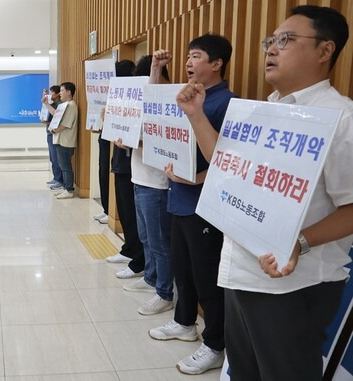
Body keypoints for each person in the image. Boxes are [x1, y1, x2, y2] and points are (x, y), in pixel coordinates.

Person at [177, 6, 353, 380]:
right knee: (244, 372)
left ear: (325, 51)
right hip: (242, 272)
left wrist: (298, 243)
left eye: (285, 41)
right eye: (269, 41)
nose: (271, 49)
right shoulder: (263, 110)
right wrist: (195, 114)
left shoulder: (342, 119)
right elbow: (225, 165)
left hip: (293, 285)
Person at [147, 34, 237, 375]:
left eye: (195, 56)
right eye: (187, 56)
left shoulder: (225, 102)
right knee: (183, 271)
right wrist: (157, 67)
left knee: (207, 278)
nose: (188, 62)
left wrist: (196, 179)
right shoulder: (184, 96)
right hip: (178, 198)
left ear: (216, 64)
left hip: (204, 205)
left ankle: (215, 344)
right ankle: (184, 323)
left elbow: (230, 160)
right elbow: (153, 108)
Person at [116, 55, 174, 316]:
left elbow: (166, 144)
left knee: (160, 242)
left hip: (157, 183)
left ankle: (164, 292)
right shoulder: (143, 103)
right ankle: (151, 277)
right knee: (146, 237)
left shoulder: (170, 104)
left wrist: (133, 141)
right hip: (139, 178)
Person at [105, 60, 145, 275]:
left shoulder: (138, 100)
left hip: (133, 167)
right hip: (120, 163)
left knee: (133, 214)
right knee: (125, 211)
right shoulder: (119, 100)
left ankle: (138, 257)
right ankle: (129, 248)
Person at [47, 82, 78, 199]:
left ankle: (69, 189)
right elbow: (56, 115)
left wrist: (54, 130)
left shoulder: (71, 106)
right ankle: (65, 188)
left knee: (65, 166)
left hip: (66, 141)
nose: (60, 93)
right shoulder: (64, 105)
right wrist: (46, 104)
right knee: (62, 165)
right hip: (61, 140)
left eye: (62, 91)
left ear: (69, 92)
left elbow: (66, 124)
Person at [42, 85, 64, 191]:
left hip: (54, 133)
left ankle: (59, 180)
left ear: (57, 94)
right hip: (49, 132)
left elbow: (57, 118)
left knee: (56, 158)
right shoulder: (52, 103)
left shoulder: (59, 105)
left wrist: (48, 122)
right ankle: (56, 178)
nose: (51, 95)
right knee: (52, 158)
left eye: (52, 93)